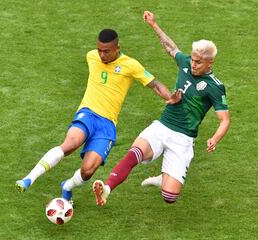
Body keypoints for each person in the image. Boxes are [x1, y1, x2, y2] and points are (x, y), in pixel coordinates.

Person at [15, 29, 182, 204]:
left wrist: (170, 97)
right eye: (99, 50)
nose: (101, 55)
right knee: (70, 143)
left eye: (106, 51)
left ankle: (67, 187)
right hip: (88, 113)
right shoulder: (91, 56)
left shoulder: (130, 65)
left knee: (88, 170)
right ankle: (28, 179)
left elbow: (154, 85)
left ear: (117, 47)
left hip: (107, 125)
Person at [93, 11, 230, 205]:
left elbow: (225, 119)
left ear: (210, 62)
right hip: (163, 125)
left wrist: (214, 139)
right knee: (135, 152)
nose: (193, 64)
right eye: (192, 59)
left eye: (198, 62)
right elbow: (170, 47)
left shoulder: (215, 86)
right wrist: (154, 25)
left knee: (170, 197)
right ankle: (107, 189)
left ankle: (163, 178)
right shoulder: (185, 63)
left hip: (183, 137)